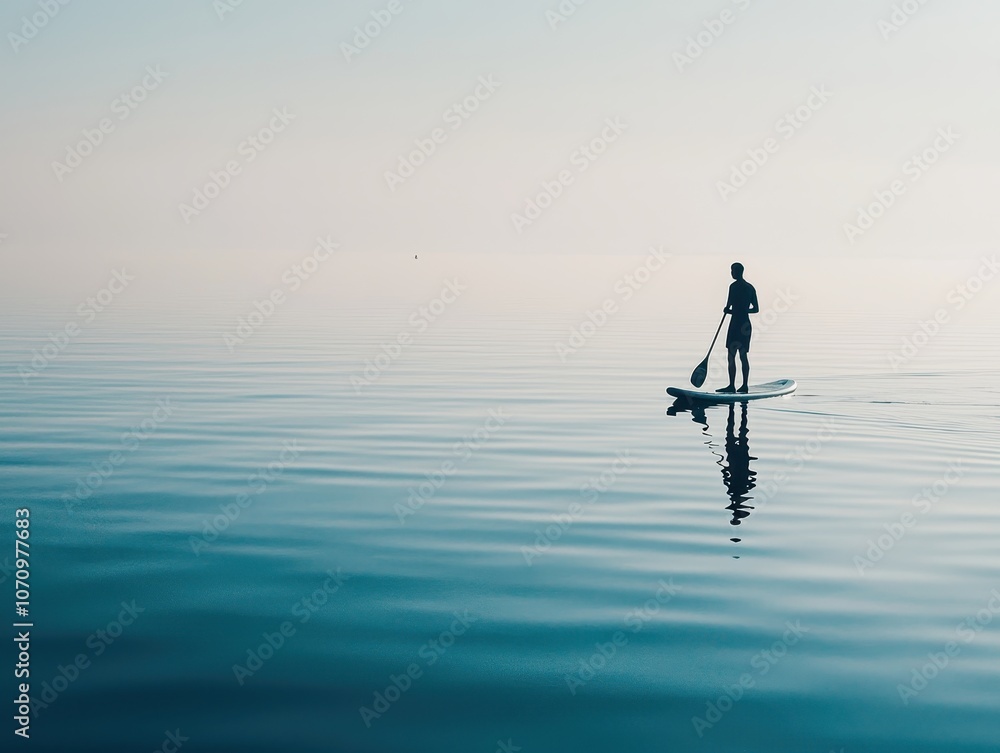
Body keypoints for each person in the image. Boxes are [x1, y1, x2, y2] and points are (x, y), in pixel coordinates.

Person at [717, 262, 759, 394]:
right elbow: (755, 309)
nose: (731, 273)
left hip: (736, 324)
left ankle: (732, 386)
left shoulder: (733, 287)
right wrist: (742, 310)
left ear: (738, 272)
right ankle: (743, 385)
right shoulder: (750, 288)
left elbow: (728, 306)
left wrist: (731, 310)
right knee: (742, 355)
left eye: (732, 271)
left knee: (732, 355)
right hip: (745, 324)